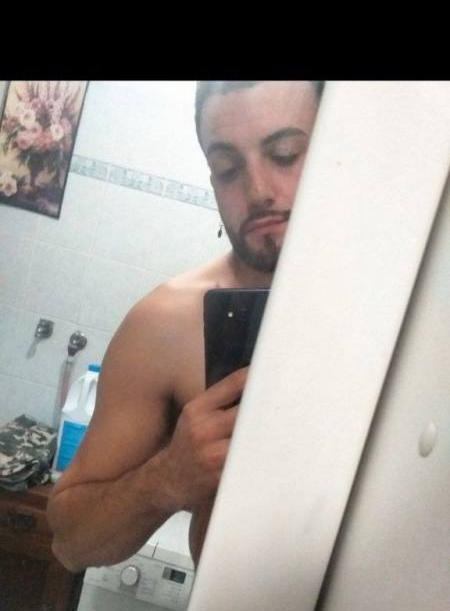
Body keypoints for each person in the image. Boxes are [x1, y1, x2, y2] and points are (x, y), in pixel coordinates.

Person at [48, 80, 323, 571]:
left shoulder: (412, 304)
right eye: (228, 168)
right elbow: (70, 544)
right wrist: (168, 478)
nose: (258, 191)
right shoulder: (167, 324)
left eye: (285, 155)